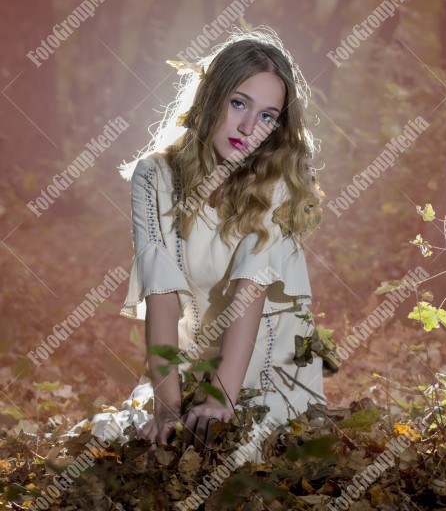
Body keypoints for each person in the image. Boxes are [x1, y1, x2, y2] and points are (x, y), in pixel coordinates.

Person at [92, 27, 326, 457]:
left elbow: (248, 293)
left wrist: (221, 395)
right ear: (211, 97)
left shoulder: (278, 181)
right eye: (239, 103)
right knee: (138, 440)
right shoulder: (154, 176)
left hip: (268, 357)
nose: (249, 127)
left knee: (240, 455)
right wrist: (167, 407)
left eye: (268, 116)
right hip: (196, 358)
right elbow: (161, 293)